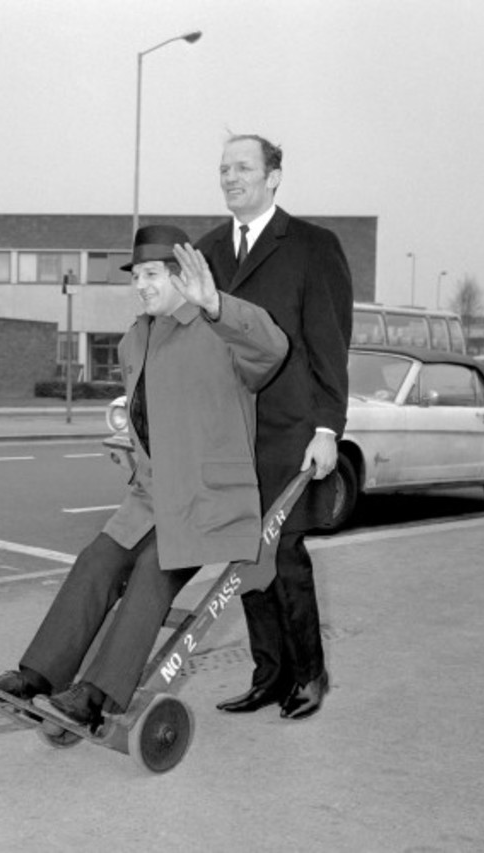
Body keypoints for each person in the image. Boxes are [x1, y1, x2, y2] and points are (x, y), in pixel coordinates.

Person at [0, 224, 288, 728]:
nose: (141, 284)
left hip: (208, 501)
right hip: (151, 499)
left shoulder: (221, 327)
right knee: (96, 563)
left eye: (151, 274)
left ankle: (96, 697)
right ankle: (38, 675)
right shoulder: (136, 339)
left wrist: (215, 303)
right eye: (137, 275)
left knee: (152, 574)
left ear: (180, 277)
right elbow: (150, 419)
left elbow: (272, 349)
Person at [197, 134, 353, 720]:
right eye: (223, 169)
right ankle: (269, 674)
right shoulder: (208, 251)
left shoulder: (314, 246)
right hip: (231, 434)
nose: (230, 177)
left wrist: (327, 427)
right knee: (245, 557)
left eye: (243, 167)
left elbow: (329, 345)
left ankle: (309, 675)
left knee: (284, 554)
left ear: (274, 176)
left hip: (291, 431)